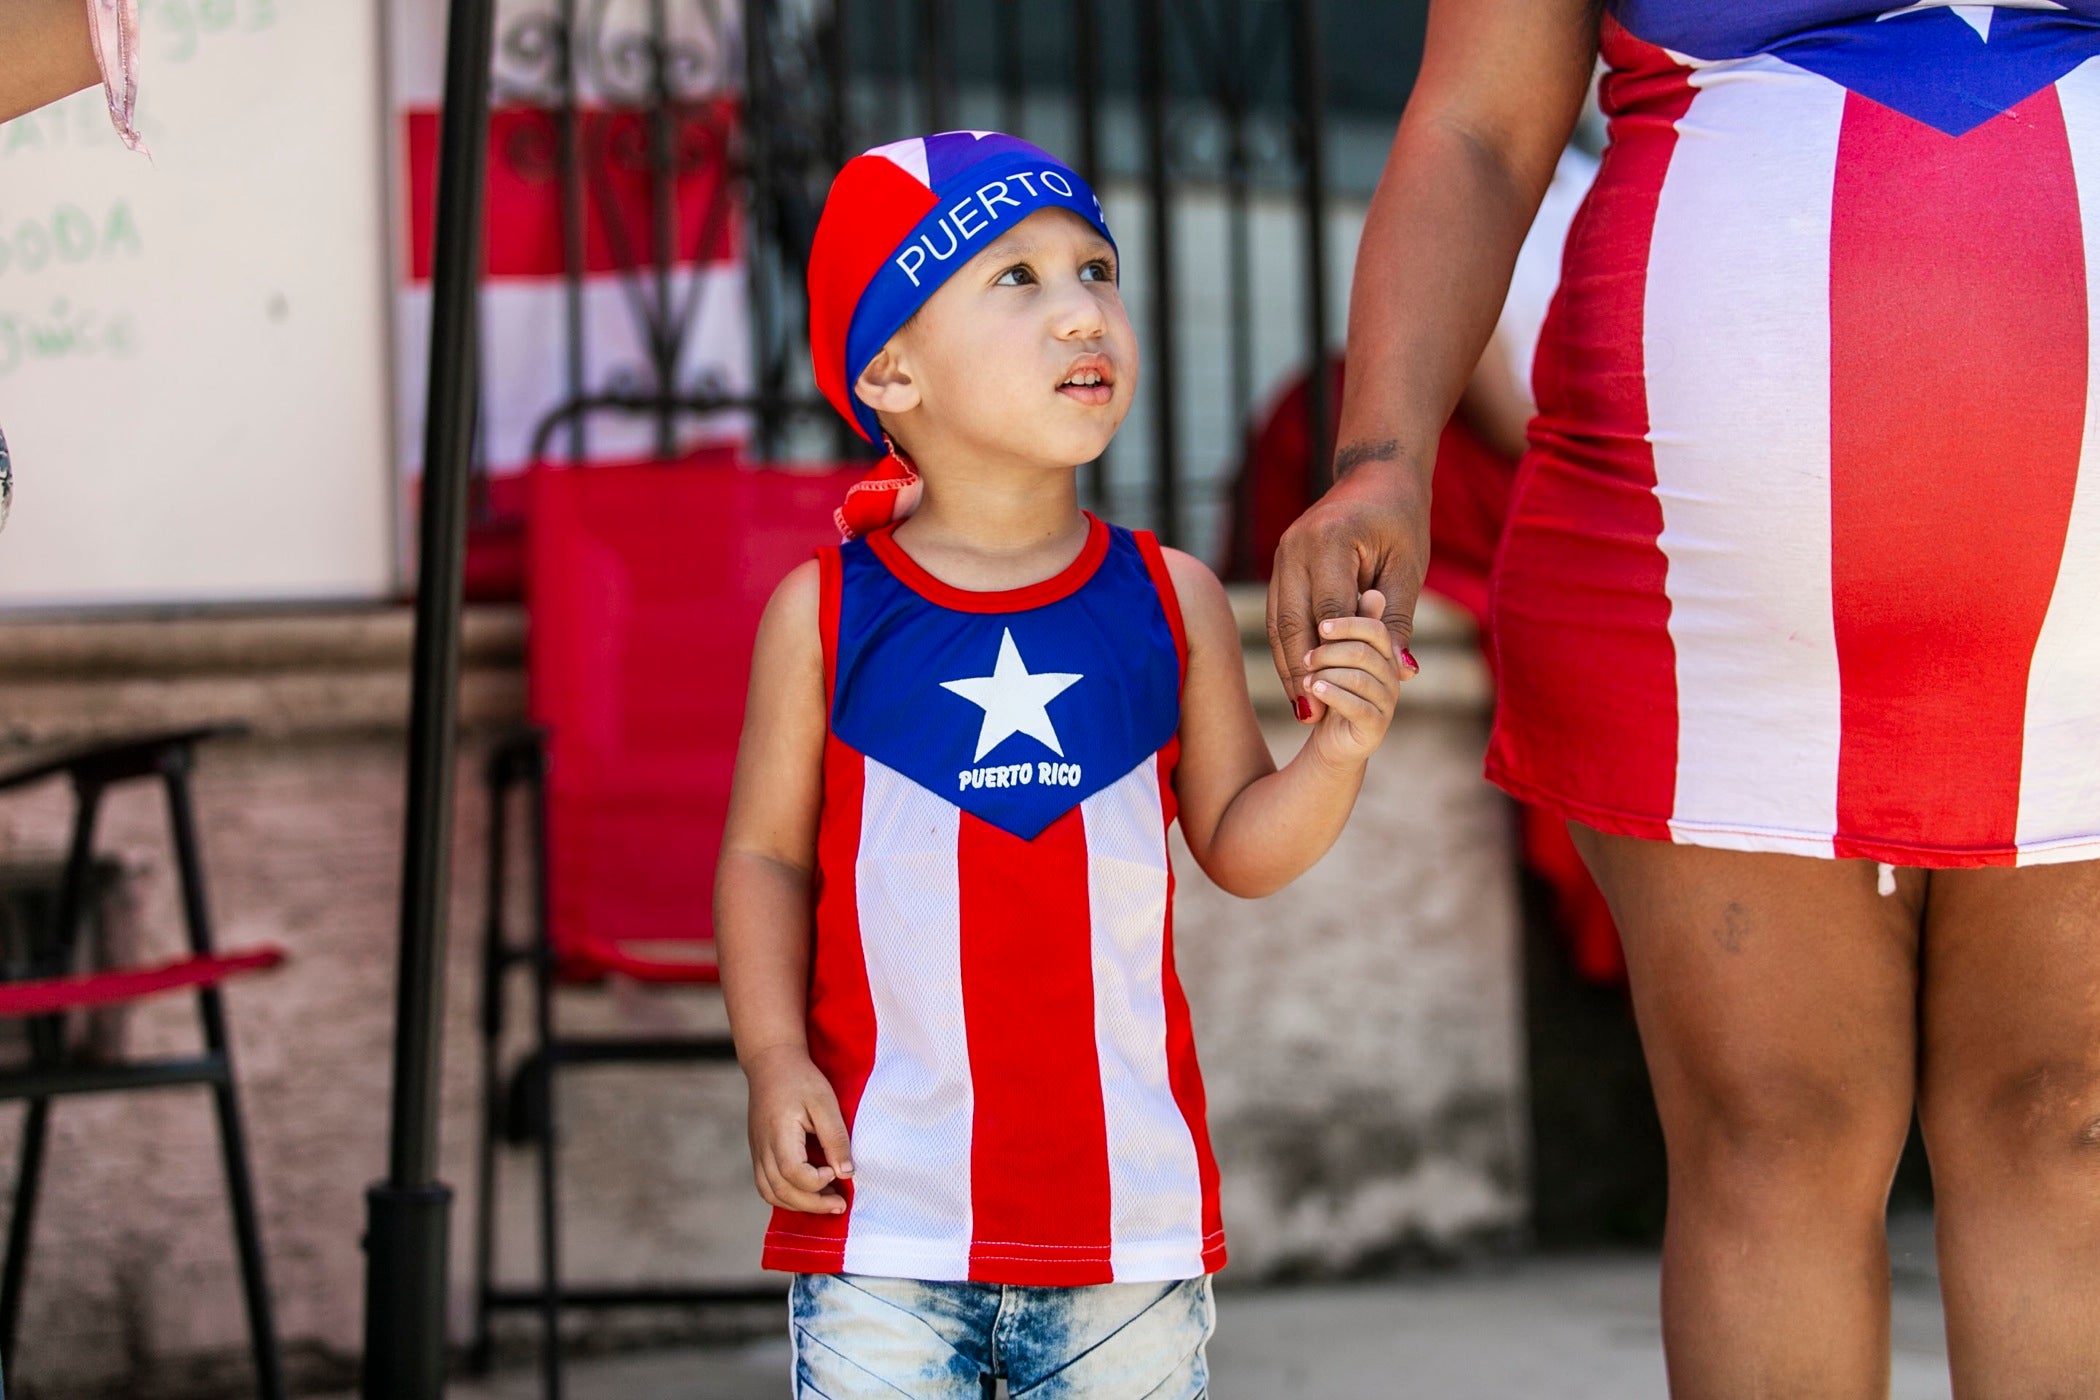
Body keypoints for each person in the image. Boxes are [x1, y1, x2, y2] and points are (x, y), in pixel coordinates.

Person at [1270, 2, 2100, 1394]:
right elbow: (1477, 121)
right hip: (1694, 574)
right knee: (1769, 1132)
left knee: (2071, 1125)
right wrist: (1380, 458)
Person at [714, 131, 1406, 1399]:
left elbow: (1241, 843)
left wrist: (1339, 752)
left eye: (1095, 266)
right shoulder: (823, 612)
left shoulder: (1171, 595)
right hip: (888, 1216)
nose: (1081, 308)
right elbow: (762, 852)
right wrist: (772, 1056)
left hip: (1124, 1226)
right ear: (891, 368)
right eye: (1014, 279)